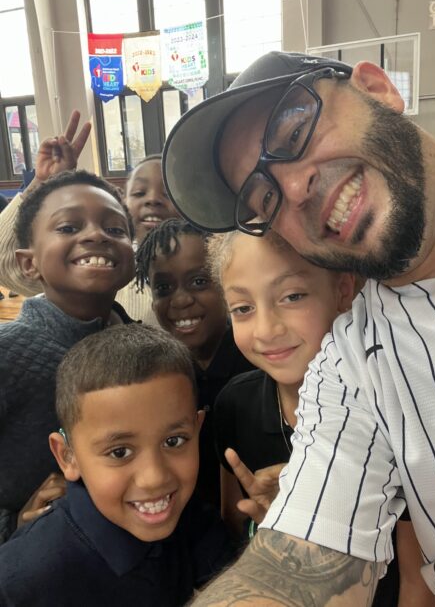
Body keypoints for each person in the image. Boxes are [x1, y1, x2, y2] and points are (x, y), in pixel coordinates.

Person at [161, 50, 435, 606]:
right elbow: (291, 567)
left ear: (377, 88)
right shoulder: (352, 362)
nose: (294, 190)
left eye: (294, 131)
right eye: (264, 197)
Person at [209, 229, 435, 607]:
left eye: (293, 296)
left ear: (343, 290)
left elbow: (418, 583)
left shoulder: (394, 408)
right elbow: (236, 525)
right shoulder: (236, 404)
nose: (266, 329)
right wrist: (285, 522)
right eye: (243, 308)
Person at [0, 323, 235, 606]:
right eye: (119, 452)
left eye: (174, 441)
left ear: (197, 430)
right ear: (67, 456)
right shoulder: (23, 580)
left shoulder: (195, 522)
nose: (154, 478)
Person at [0, 169, 135, 543]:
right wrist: (13, 526)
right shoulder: (7, 353)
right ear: (29, 264)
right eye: (67, 228)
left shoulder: (147, 350)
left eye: (115, 229)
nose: (95, 235)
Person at [0, 111, 177, 325]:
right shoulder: (95, 273)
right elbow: (6, 261)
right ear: (123, 207)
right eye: (139, 193)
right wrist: (44, 183)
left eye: (168, 194)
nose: (152, 200)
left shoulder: (206, 265)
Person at [135, 218, 253, 507]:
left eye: (199, 282)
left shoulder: (257, 365)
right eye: (163, 288)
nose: (181, 300)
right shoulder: (155, 378)